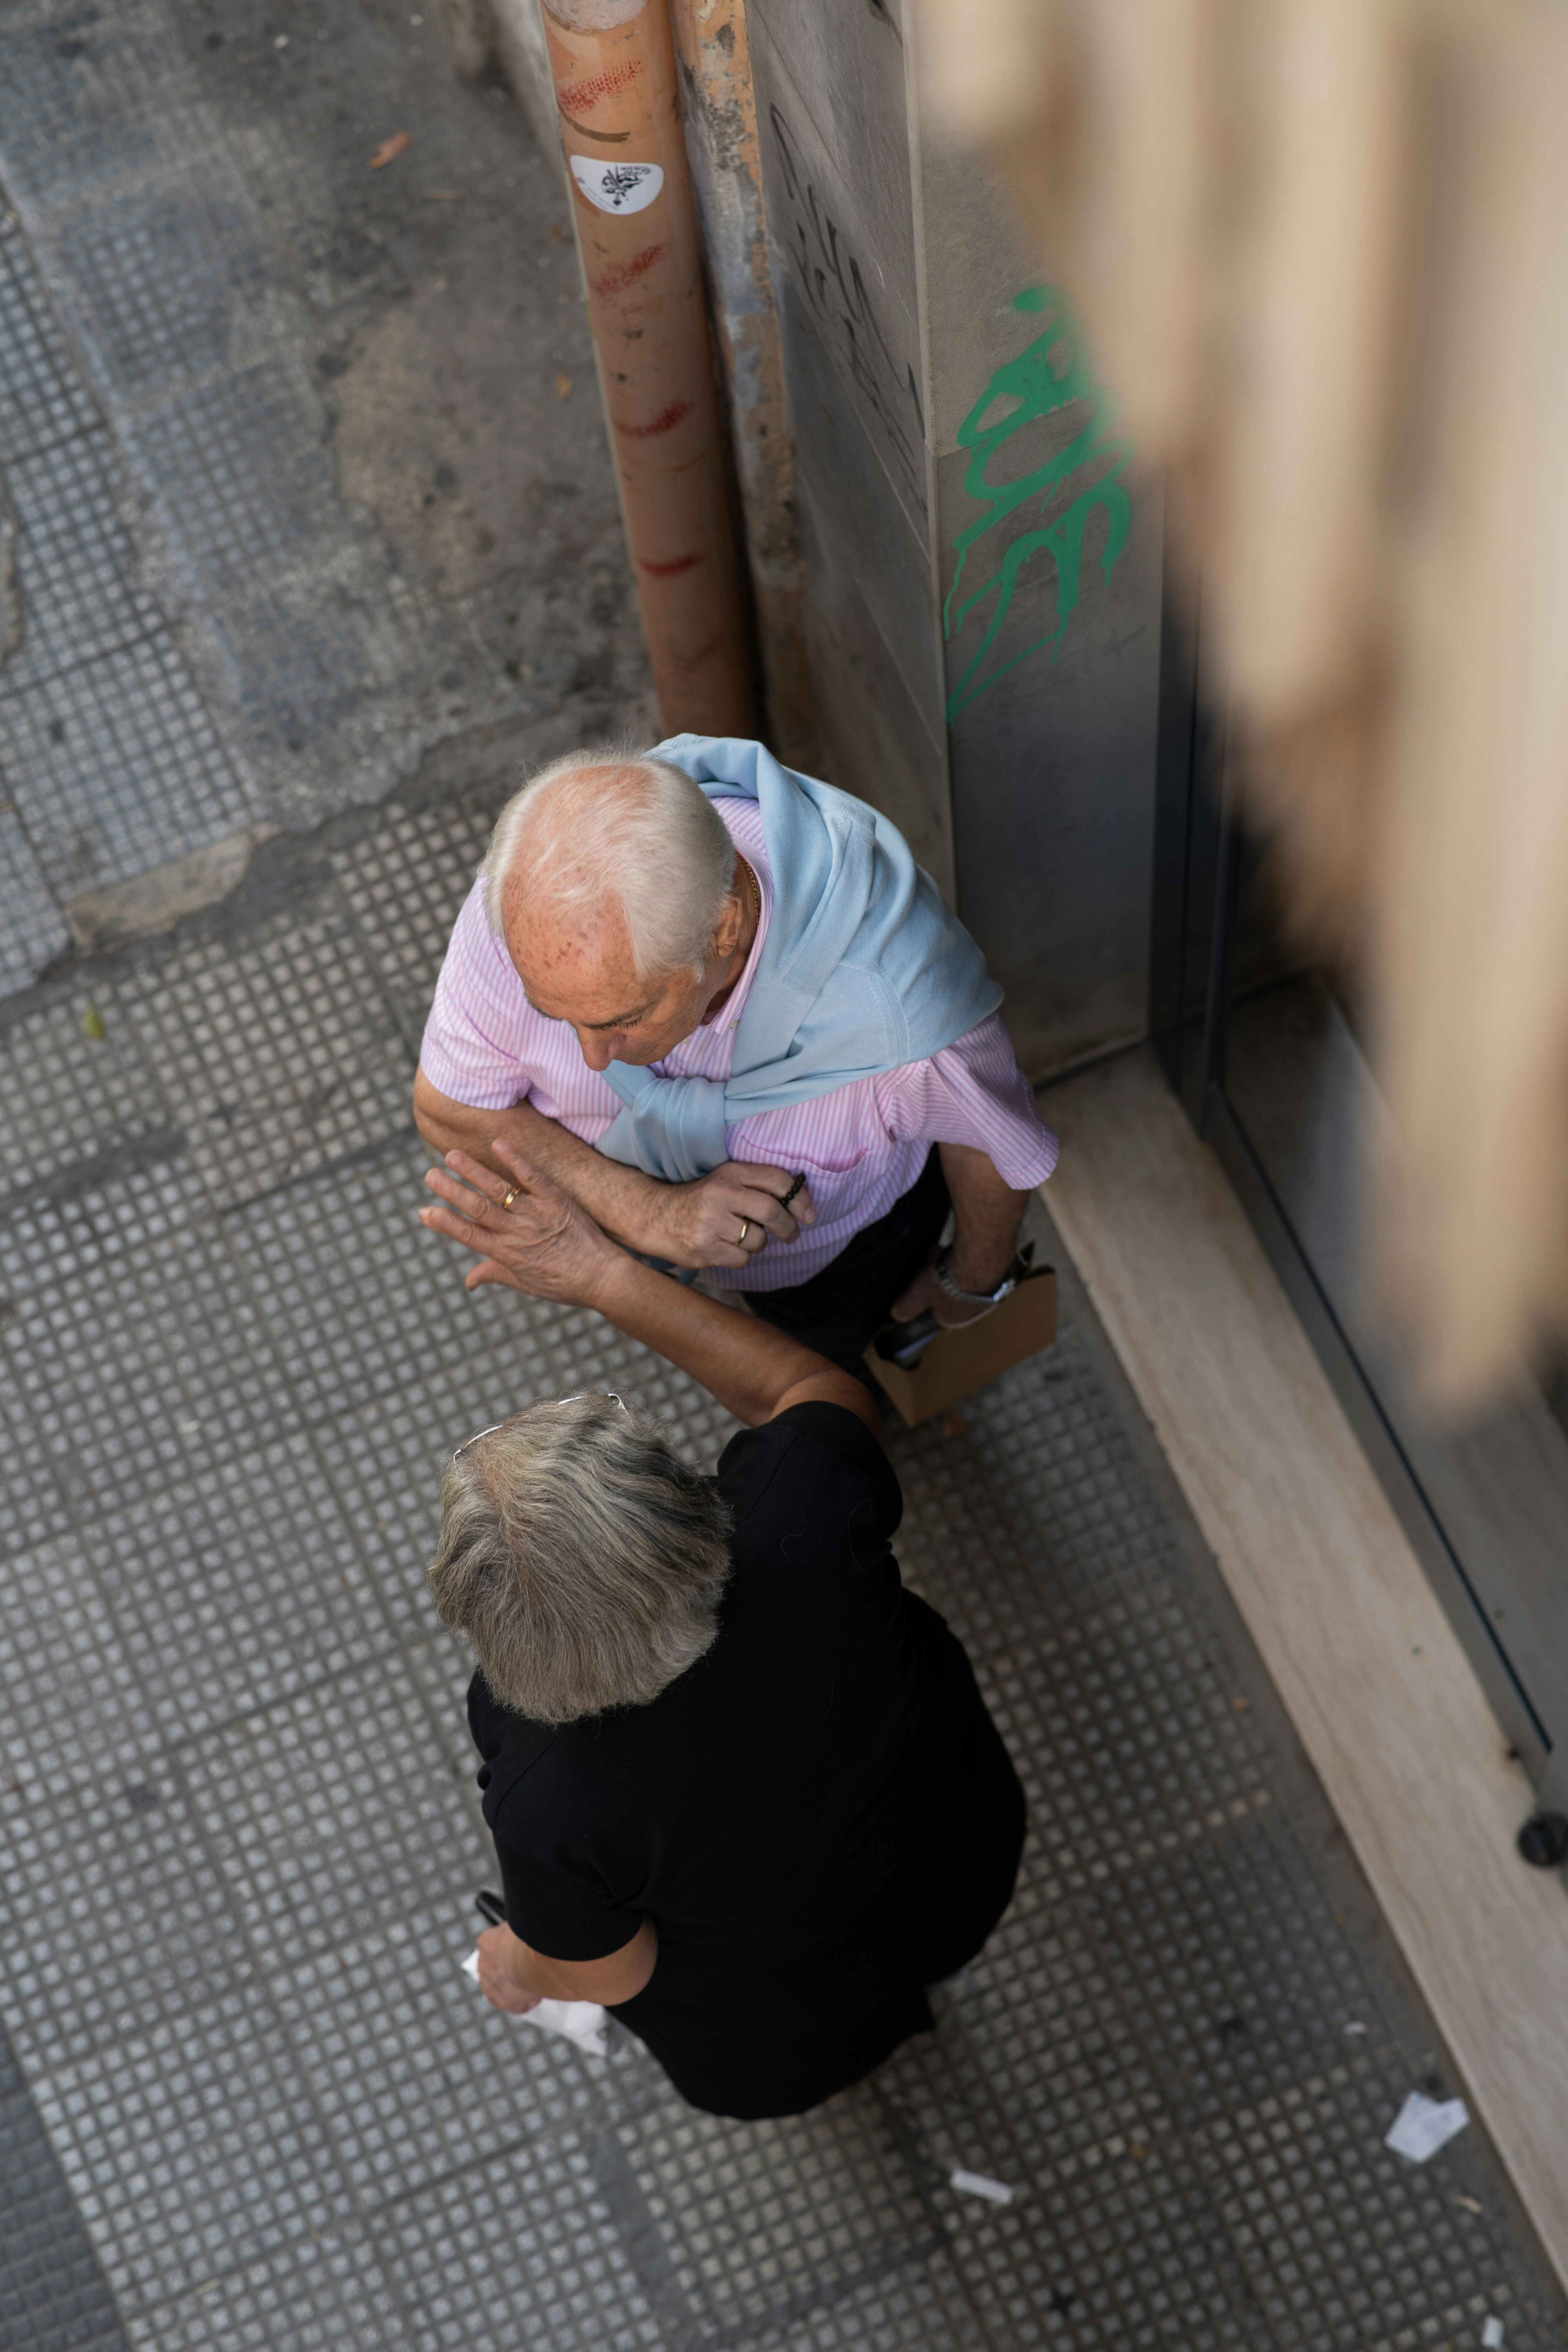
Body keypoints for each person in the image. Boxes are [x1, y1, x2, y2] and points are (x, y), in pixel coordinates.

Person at [419, 1140, 1027, 2120]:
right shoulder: (803, 1517)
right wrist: (611, 1278)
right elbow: (815, 1394)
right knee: (942, 1938)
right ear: (681, 1510)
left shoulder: (549, 1791)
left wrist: (517, 1963)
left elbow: (611, 1972)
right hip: (949, 1841)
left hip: (779, 2005)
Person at [414, 735, 1058, 1367]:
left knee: (831, 1355)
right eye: (552, 1014)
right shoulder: (537, 904)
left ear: (724, 927)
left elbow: (991, 1150)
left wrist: (969, 1285)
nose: (593, 1060)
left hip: (836, 1265)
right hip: (654, 1232)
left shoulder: (910, 1013)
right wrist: (644, 1212)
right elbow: (446, 1109)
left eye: (624, 1019)